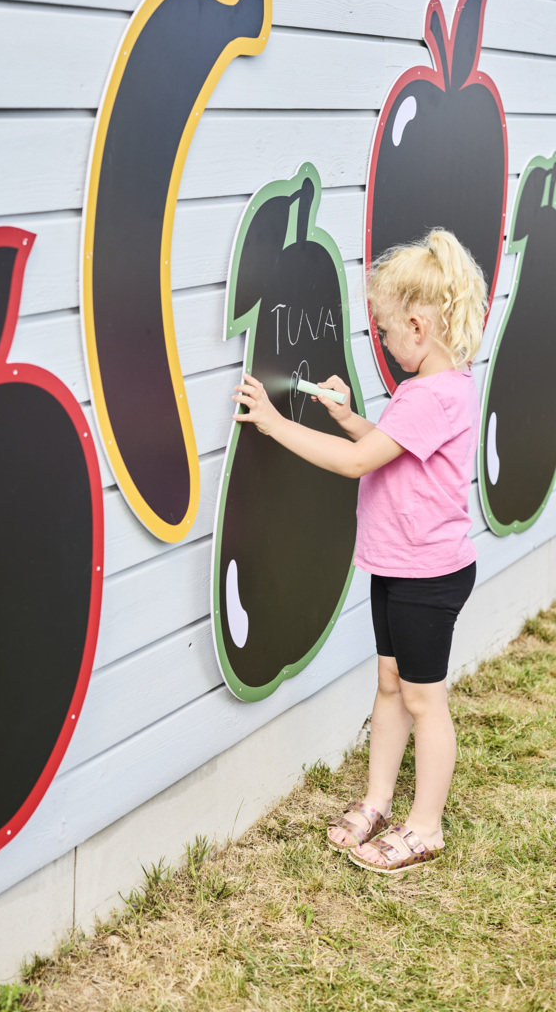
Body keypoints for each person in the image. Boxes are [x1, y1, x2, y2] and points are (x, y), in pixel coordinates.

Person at [232, 229, 487, 874]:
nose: (383, 341)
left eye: (386, 330)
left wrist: (274, 424)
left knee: (424, 699)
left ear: (418, 327)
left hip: (427, 574)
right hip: (400, 565)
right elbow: (390, 448)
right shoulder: (432, 388)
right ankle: (378, 801)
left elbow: (356, 464)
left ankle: (424, 827)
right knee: (390, 685)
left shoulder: (432, 395)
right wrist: (349, 418)